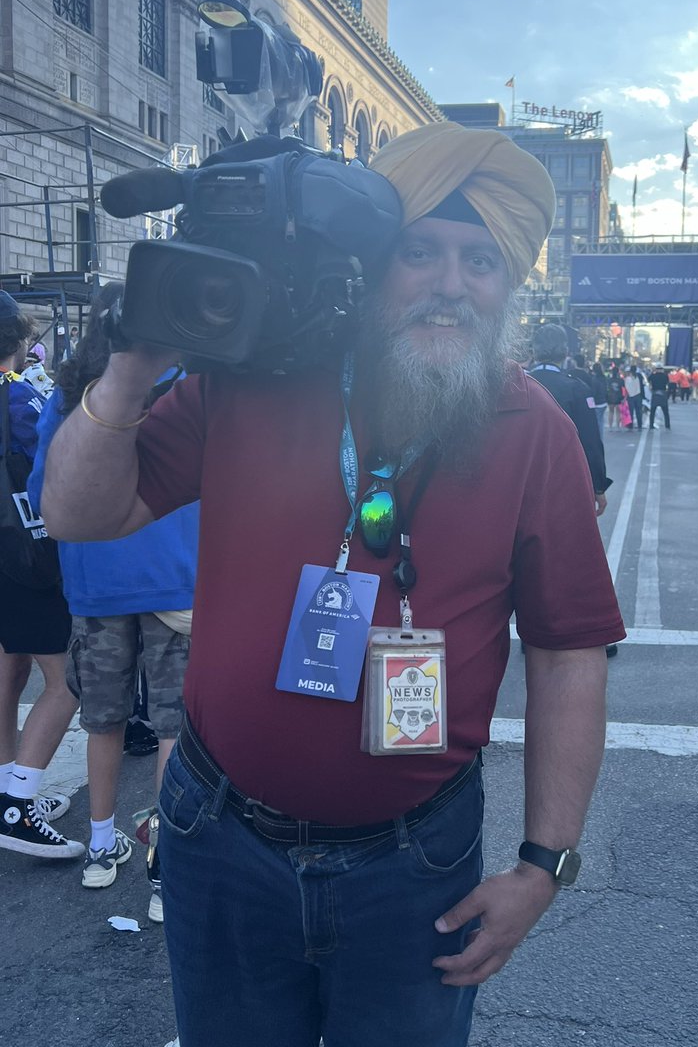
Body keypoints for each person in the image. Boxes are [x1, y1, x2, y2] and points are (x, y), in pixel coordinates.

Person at [40, 122, 625, 1047]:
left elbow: (568, 655)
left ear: (507, 286)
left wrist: (543, 866)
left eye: (480, 263)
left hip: (417, 864)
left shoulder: (535, 431)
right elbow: (80, 513)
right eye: (420, 251)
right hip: (217, 836)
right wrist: (132, 363)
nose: (449, 283)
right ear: (372, 266)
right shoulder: (255, 377)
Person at [28, 282, 198, 920]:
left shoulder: (75, 397)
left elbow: (47, 491)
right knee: (172, 732)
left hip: (96, 584)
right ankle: (165, 872)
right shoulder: (187, 388)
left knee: (102, 720)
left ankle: (102, 847)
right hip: (176, 580)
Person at [0, 291, 83, 860]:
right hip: (25, 553)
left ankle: (6, 788)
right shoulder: (23, 394)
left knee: (10, 666)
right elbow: (58, 463)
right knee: (68, 678)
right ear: (20, 340)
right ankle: (19, 801)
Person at [528, 325, 612, 514]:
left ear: (534, 351)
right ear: (566, 352)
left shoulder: (515, 385)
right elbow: (590, 442)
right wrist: (598, 485)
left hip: (519, 480)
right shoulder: (577, 390)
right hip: (563, 480)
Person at [589, 361, 609, 441]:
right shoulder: (604, 378)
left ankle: (598, 438)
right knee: (601, 421)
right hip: (604, 402)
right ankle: (600, 437)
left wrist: (590, 404)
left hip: (597, 403)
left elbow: (593, 393)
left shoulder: (594, 379)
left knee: (597, 422)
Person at [647, 362, 670, 430]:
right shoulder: (665, 376)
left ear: (656, 369)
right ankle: (667, 425)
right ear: (662, 369)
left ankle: (651, 425)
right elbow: (667, 382)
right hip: (663, 393)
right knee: (665, 412)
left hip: (655, 393)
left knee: (652, 411)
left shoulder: (653, 376)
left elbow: (648, 380)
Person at [606, 361, 623, 430]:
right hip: (618, 397)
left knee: (611, 411)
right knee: (618, 412)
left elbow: (607, 389)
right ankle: (618, 426)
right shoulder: (620, 380)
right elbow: (623, 389)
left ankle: (610, 426)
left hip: (610, 397)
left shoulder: (609, 380)